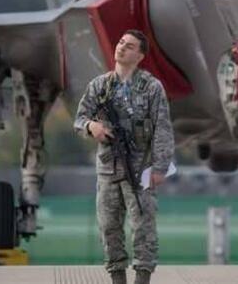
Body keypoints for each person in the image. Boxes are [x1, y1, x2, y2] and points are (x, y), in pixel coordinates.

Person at [74, 29, 174, 284]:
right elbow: (80, 118)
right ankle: (117, 277)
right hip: (108, 167)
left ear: (140, 56)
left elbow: (162, 128)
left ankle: (142, 277)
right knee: (109, 225)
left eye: (129, 46)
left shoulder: (151, 87)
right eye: (120, 42)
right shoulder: (100, 85)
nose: (121, 47)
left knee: (143, 224)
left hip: (140, 166)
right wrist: (91, 127)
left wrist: (160, 167)